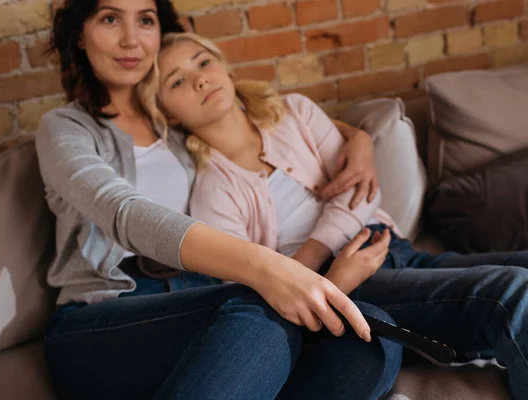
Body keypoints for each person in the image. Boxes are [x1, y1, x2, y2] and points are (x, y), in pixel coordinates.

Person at [36, 1, 402, 399]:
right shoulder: (65, 129)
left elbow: (264, 121)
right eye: (110, 19)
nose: (131, 39)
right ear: (78, 36)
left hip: (199, 302)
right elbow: (122, 211)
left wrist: (359, 141)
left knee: (370, 336)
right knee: (255, 316)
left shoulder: (178, 120)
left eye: (145, 20)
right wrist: (264, 266)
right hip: (103, 321)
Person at [143, 31, 528, 400]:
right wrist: (328, 278)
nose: (199, 80)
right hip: (345, 285)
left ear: (225, 67)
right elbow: (254, 292)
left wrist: (306, 256)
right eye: (177, 82)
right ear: (169, 116)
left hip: (394, 248)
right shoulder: (212, 194)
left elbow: (360, 193)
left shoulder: (295, 111)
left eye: (203, 62)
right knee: (510, 293)